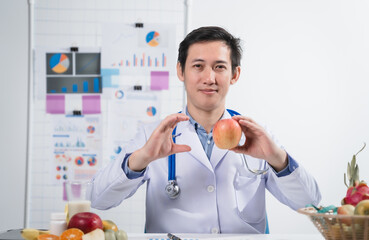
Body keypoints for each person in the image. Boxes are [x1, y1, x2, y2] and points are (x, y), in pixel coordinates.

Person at [89, 26, 321, 234]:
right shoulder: (153, 135)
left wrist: (277, 159)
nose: (209, 78)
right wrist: (141, 159)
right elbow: (99, 199)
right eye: (198, 66)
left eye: (219, 67)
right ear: (181, 71)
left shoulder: (256, 135)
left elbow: (310, 203)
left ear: (235, 74)